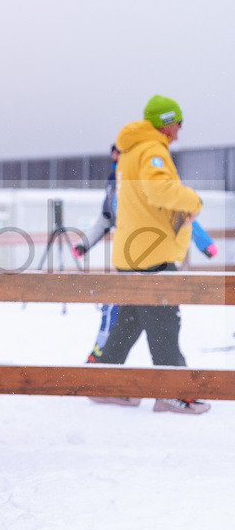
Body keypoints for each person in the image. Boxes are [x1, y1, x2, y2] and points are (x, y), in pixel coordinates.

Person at [87, 95, 209, 414]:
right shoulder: (153, 150)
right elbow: (159, 191)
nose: (180, 131)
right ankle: (173, 392)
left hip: (132, 252)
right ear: (167, 122)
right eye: (178, 123)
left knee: (129, 320)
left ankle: (107, 384)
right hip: (152, 253)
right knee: (166, 321)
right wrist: (193, 201)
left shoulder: (131, 151)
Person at [74, 144, 217, 368]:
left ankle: (108, 368)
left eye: (119, 152)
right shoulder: (115, 181)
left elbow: (178, 214)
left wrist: (204, 243)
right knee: (148, 315)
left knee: (138, 315)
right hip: (130, 255)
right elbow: (106, 217)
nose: (115, 156)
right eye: (114, 152)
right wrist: (85, 244)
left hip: (150, 251)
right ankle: (168, 383)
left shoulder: (144, 178)